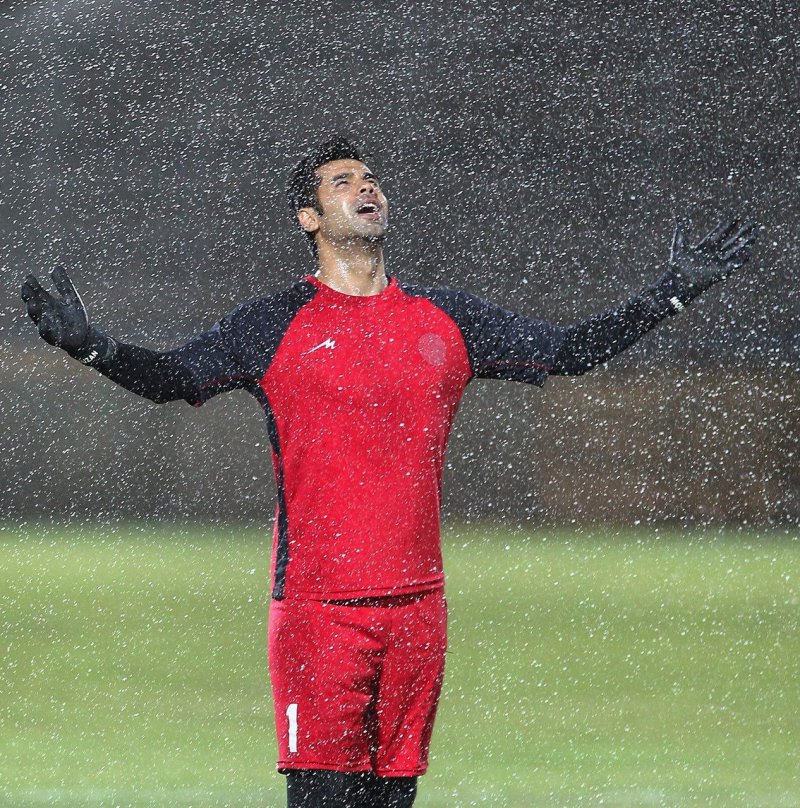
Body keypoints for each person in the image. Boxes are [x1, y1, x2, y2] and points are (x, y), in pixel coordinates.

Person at [21, 137, 757, 807]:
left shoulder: (446, 318)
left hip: (418, 614)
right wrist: (92, 346)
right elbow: (173, 375)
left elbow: (566, 350)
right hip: (319, 614)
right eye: (343, 182)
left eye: (371, 179)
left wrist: (668, 295)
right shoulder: (273, 323)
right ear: (309, 217)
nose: (365, 188)